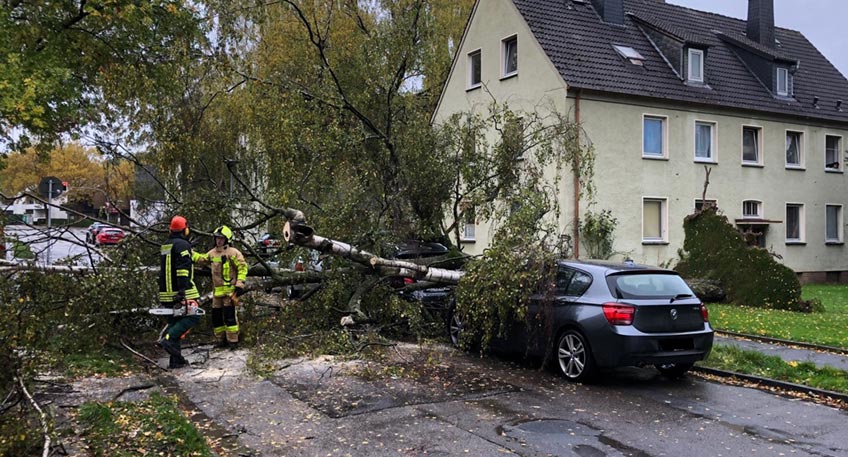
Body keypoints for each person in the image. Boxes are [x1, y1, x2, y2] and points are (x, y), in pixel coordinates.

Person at [158, 215, 203, 369]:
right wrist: (182, 290)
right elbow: (182, 270)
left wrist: (188, 247)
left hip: (165, 292)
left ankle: (175, 360)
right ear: (185, 229)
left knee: (175, 321)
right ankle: (167, 338)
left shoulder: (166, 245)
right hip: (181, 292)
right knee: (194, 315)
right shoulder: (182, 246)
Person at [198, 225, 248, 348]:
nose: (218, 241)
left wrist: (240, 284)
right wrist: (189, 252)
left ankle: (233, 341)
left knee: (230, 317)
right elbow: (202, 259)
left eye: (221, 238)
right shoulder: (212, 253)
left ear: (227, 239)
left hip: (230, 293)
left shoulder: (233, 253)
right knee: (216, 318)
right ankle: (220, 340)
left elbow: (242, 268)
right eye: (217, 238)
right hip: (217, 294)